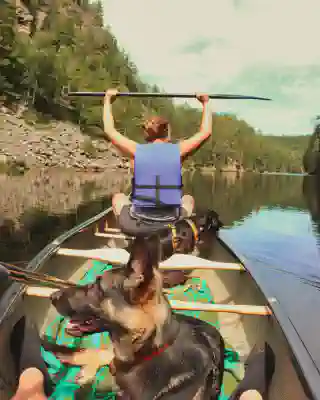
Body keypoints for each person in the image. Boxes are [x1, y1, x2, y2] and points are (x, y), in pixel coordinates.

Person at [103, 88, 212, 226]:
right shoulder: (178, 150)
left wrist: (107, 100)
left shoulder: (136, 150)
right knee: (188, 199)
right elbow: (206, 132)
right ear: (167, 133)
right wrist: (205, 103)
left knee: (118, 198)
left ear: (148, 134)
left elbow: (109, 130)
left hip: (139, 220)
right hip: (170, 221)